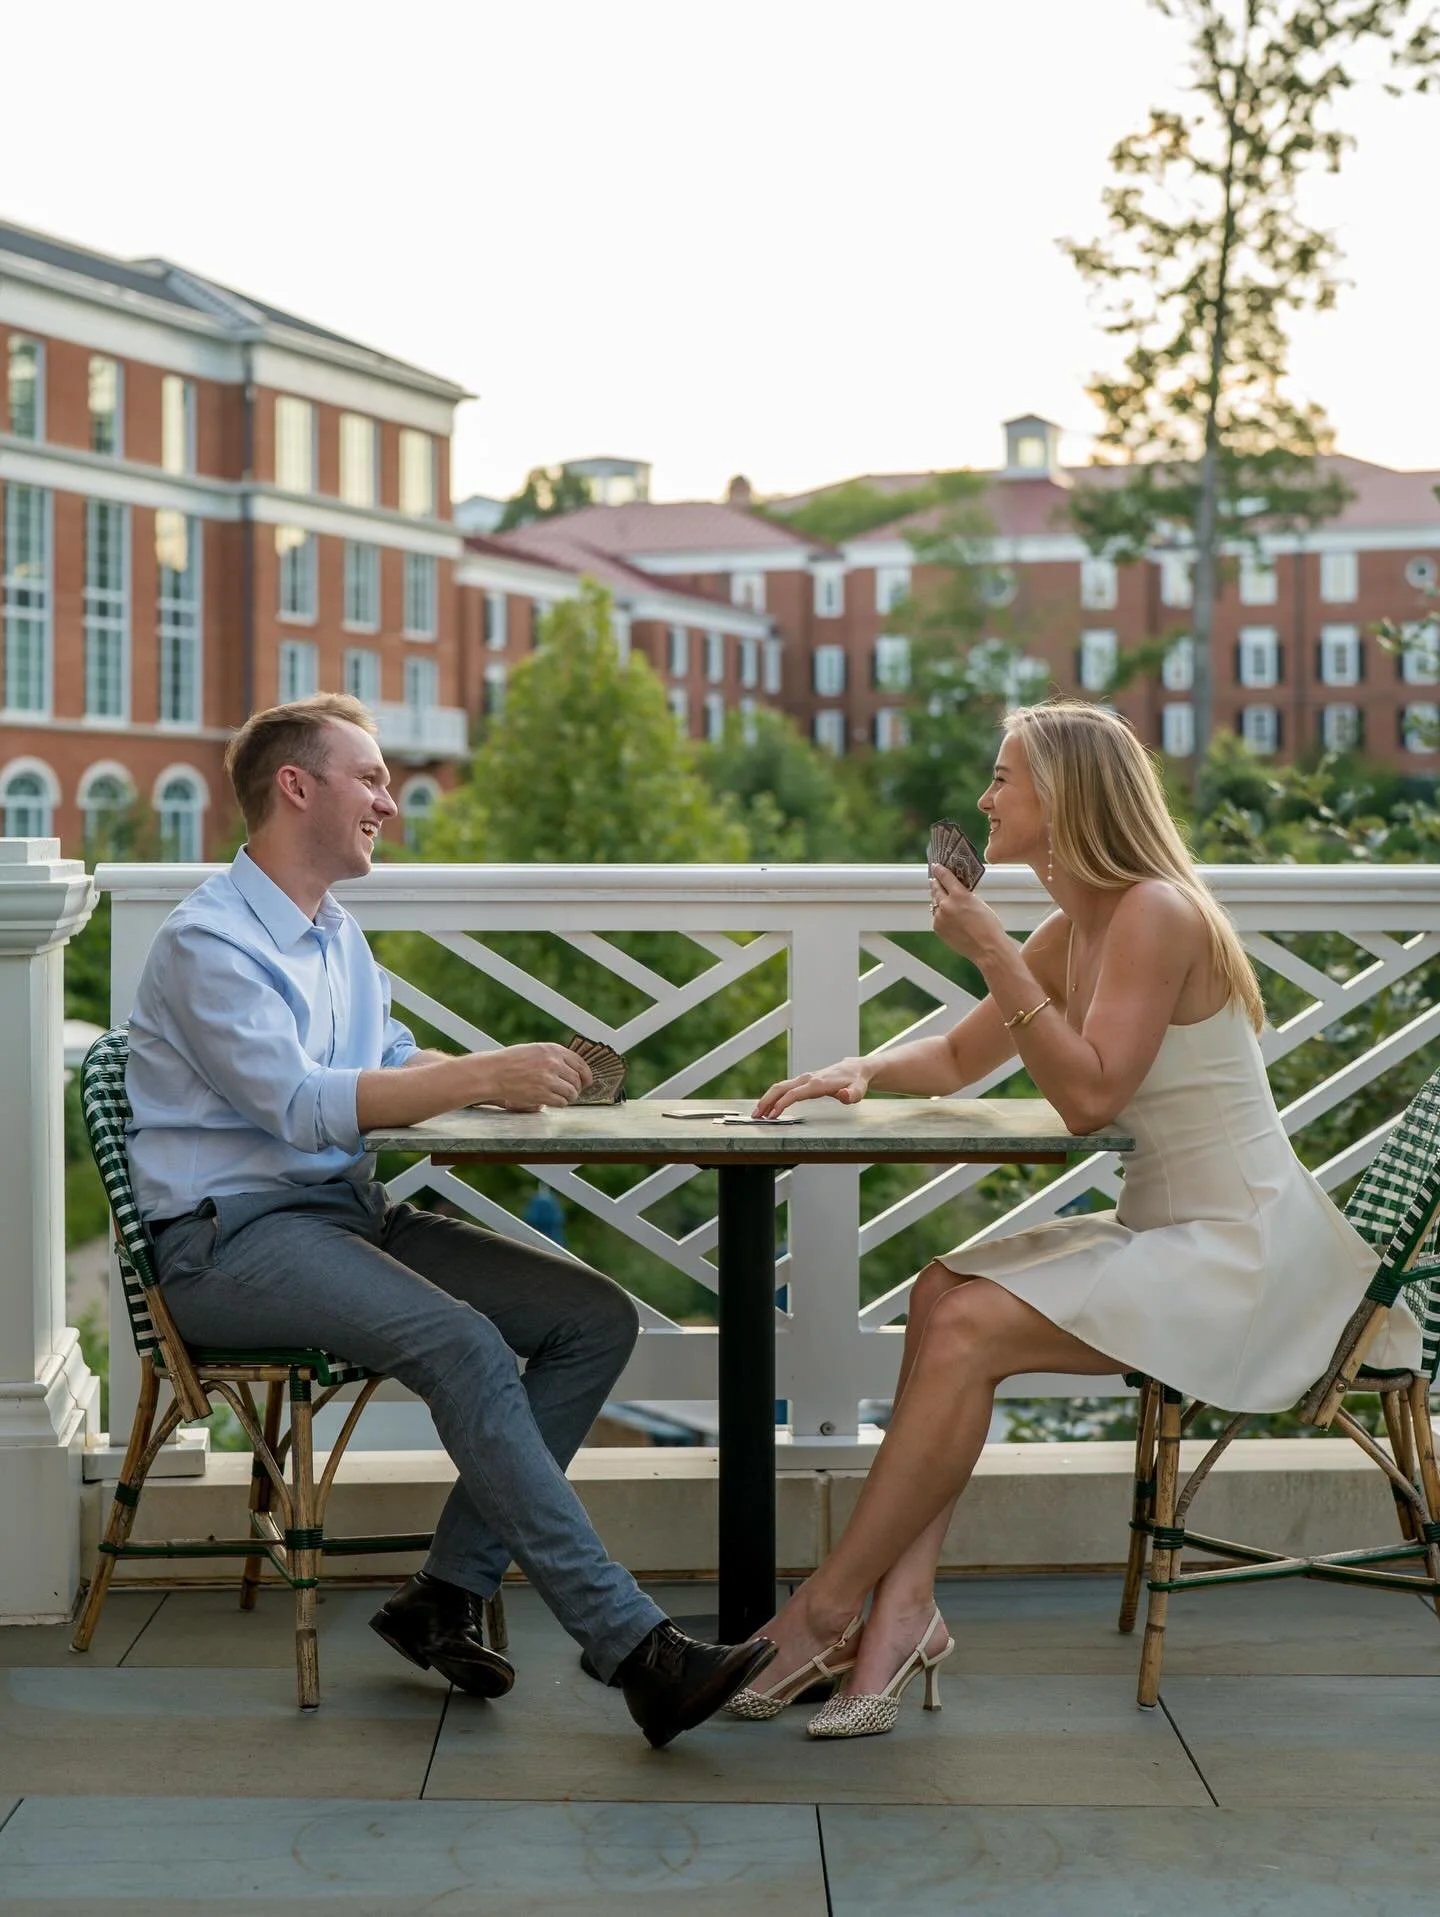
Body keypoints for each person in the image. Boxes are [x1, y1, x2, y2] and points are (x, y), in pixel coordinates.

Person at [728, 698, 1421, 1739]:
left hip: (1247, 1259)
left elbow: (1088, 1098)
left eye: (1004, 778)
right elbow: (963, 1058)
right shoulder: (1082, 921)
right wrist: (858, 1070)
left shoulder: (1155, 912)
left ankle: (826, 1610)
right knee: (940, 1291)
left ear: (1065, 797)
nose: (984, 797)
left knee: (964, 1324)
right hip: (1170, 1235)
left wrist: (994, 953)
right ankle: (900, 1613)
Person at [125, 694, 774, 1746]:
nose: (390, 800)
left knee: (591, 1319)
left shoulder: (333, 934)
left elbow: (384, 1064)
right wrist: (480, 1072)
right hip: (226, 1241)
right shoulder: (207, 942)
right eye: (371, 779)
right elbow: (298, 1104)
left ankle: (443, 1595)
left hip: (343, 1214)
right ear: (298, 787)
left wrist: (511, 1081)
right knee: (466, 1346)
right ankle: (635, 1651)